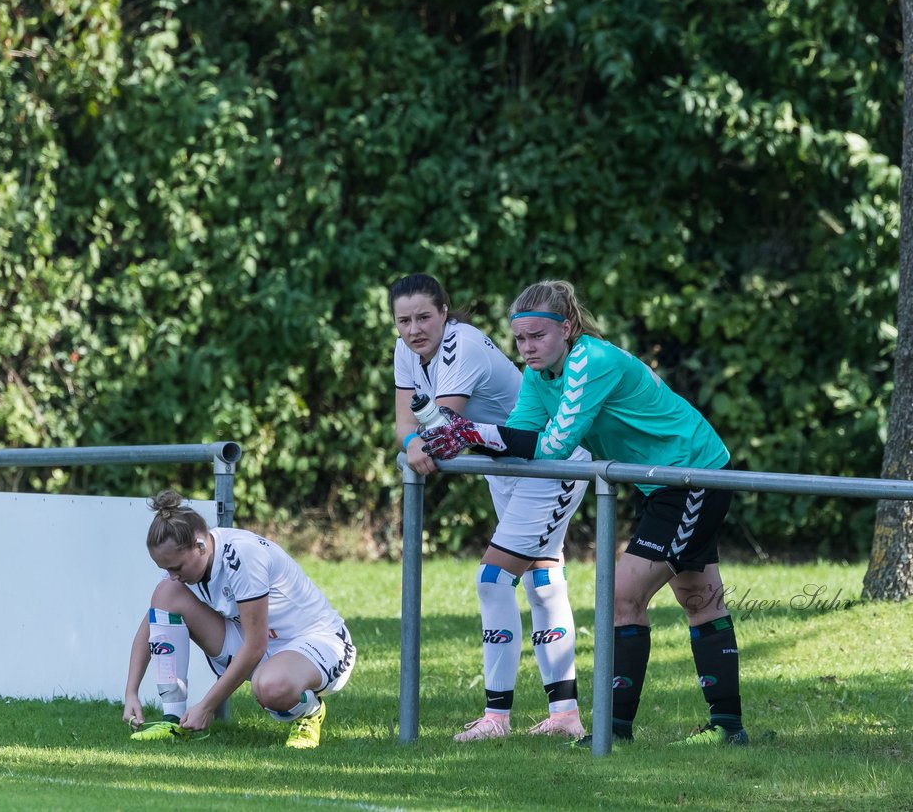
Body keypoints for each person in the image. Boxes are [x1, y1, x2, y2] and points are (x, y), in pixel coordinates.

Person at [421, 279, 748, 747]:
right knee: (700, 598)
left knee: (622, 597)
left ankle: (613, 732)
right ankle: (728, 729)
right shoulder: (538, 376)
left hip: (691, 475)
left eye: (539, 336)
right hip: (661, 482)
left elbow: (555, 445)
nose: (528, 348)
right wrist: (468, 436)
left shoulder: (590, 361)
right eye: (520, 338)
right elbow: (520, 439)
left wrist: (471, 432)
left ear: (567, 328)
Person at [390, 274, 591, 741]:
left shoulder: (462, 345)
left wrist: (423, 441)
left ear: (445, 311)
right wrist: (411, 441)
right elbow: (407, 422)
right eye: (404, 320)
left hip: (548, 463)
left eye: (424, 316)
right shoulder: (407, 350)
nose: (414, 328)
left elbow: (447, 431)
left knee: (493, 578)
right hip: (506, 469)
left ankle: (496, 718)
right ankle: (564, 715)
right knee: (543, 576)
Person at [122, 490, 356, 750]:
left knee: (271, 686)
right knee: (165, 594)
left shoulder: (243, 556)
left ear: (200, 546)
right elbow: (151, 624)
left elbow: (256, 647)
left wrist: (207, 707)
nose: (172, 575)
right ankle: (173, 720)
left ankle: (310, 712)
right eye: (165, 569)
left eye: (176, 568)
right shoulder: (189, 566)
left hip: (319, 643)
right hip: (262, 642)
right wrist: (131, 691)